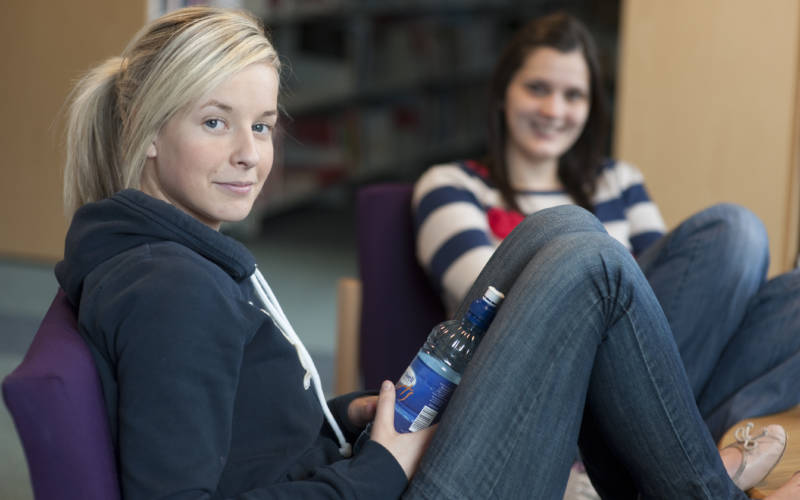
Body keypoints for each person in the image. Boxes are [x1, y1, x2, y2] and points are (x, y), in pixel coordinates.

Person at [54, 6, 800, 499]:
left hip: (363, 464)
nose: (251, 155)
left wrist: (349, 417)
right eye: (216, 123)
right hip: (386, 488)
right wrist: (377, 468)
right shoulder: (169, 289)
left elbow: (252, 438)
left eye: (262, 126)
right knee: (591, 263)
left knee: (564, 231)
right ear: (149, 135)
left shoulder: (176, 259)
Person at [413, 11, 800, 447]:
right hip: (544, 387)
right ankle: (679, 461)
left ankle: (684, 457)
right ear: (503, 92)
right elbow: (494, 307)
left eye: (573, 95)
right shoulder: (451, 185)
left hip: (639, 387)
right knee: (736, 231)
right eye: (537, 88)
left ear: (591, 105)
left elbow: (679, 308)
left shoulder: (619, 180)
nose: (554, 110)